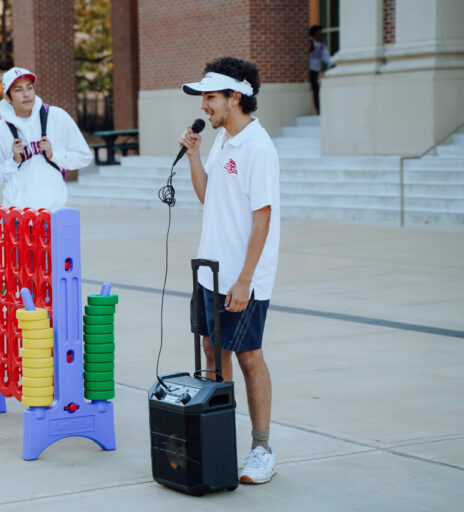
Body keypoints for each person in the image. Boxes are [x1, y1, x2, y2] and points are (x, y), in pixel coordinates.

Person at [179, 57, 280, 484]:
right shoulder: (222, 140)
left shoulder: (257, 147)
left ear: (235, 97)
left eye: (211, 97)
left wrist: (244, 279)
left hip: (243, 277)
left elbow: (263, 217)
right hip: (210, 272)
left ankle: (261, 449)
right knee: (211, 352)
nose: (205, 106)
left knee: (248, 356)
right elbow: (210, 197)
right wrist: (194, 156)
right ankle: (216, 436)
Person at [0, 67, 92, 209]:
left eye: (29, 88)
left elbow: (84, 156)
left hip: (54, 211)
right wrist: (13, 162)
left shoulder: (58, 117)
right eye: (18, 90)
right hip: (17, 216)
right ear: (7, 97)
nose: (26, 94)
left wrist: (54, 156)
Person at [309, 25, 334, 115]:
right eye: (319, 33)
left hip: (316, 71)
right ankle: (317, 110)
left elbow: (326, 58)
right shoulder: (309, 43)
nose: (321, 35)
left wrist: (334, 64)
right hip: (309, 71)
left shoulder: (321, 46)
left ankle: (319, 111)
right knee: (314, 89)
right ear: (314, 34)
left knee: (316, 90)